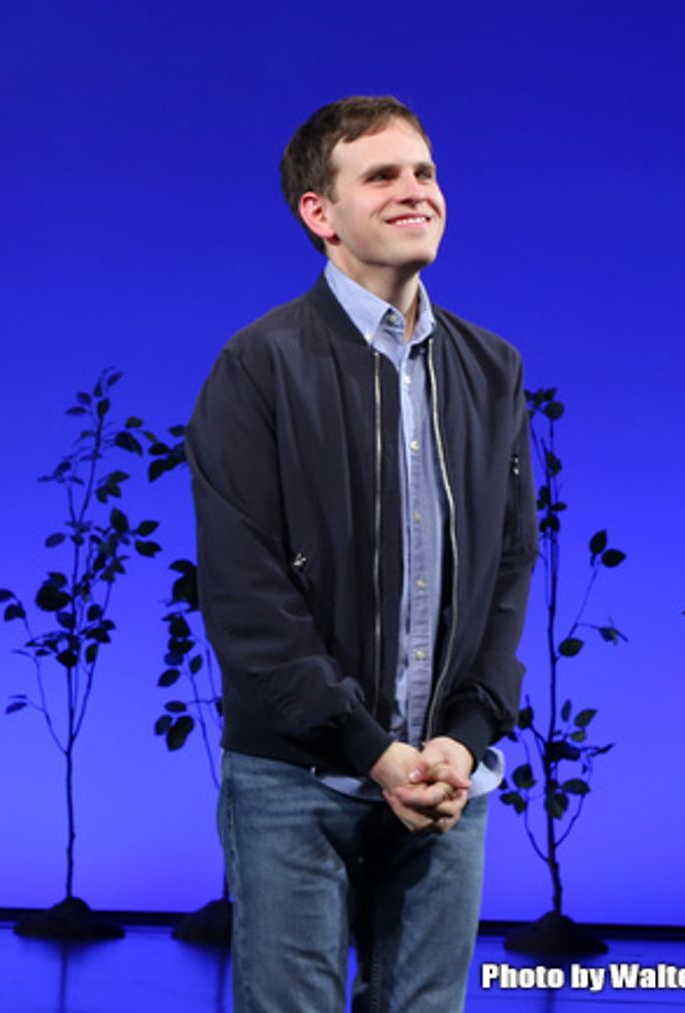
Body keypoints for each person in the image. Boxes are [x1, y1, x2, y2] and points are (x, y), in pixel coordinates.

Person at [186, 95, 539, 1012]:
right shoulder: (257, 366)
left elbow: (509, 569)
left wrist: (465, 738)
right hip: (297, 781)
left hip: (447, 785)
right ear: (320, 213)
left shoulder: (492, 368)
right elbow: (245, 597)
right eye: (382, 175)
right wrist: (371, 749)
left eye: (424, 172)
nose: (416, 191)